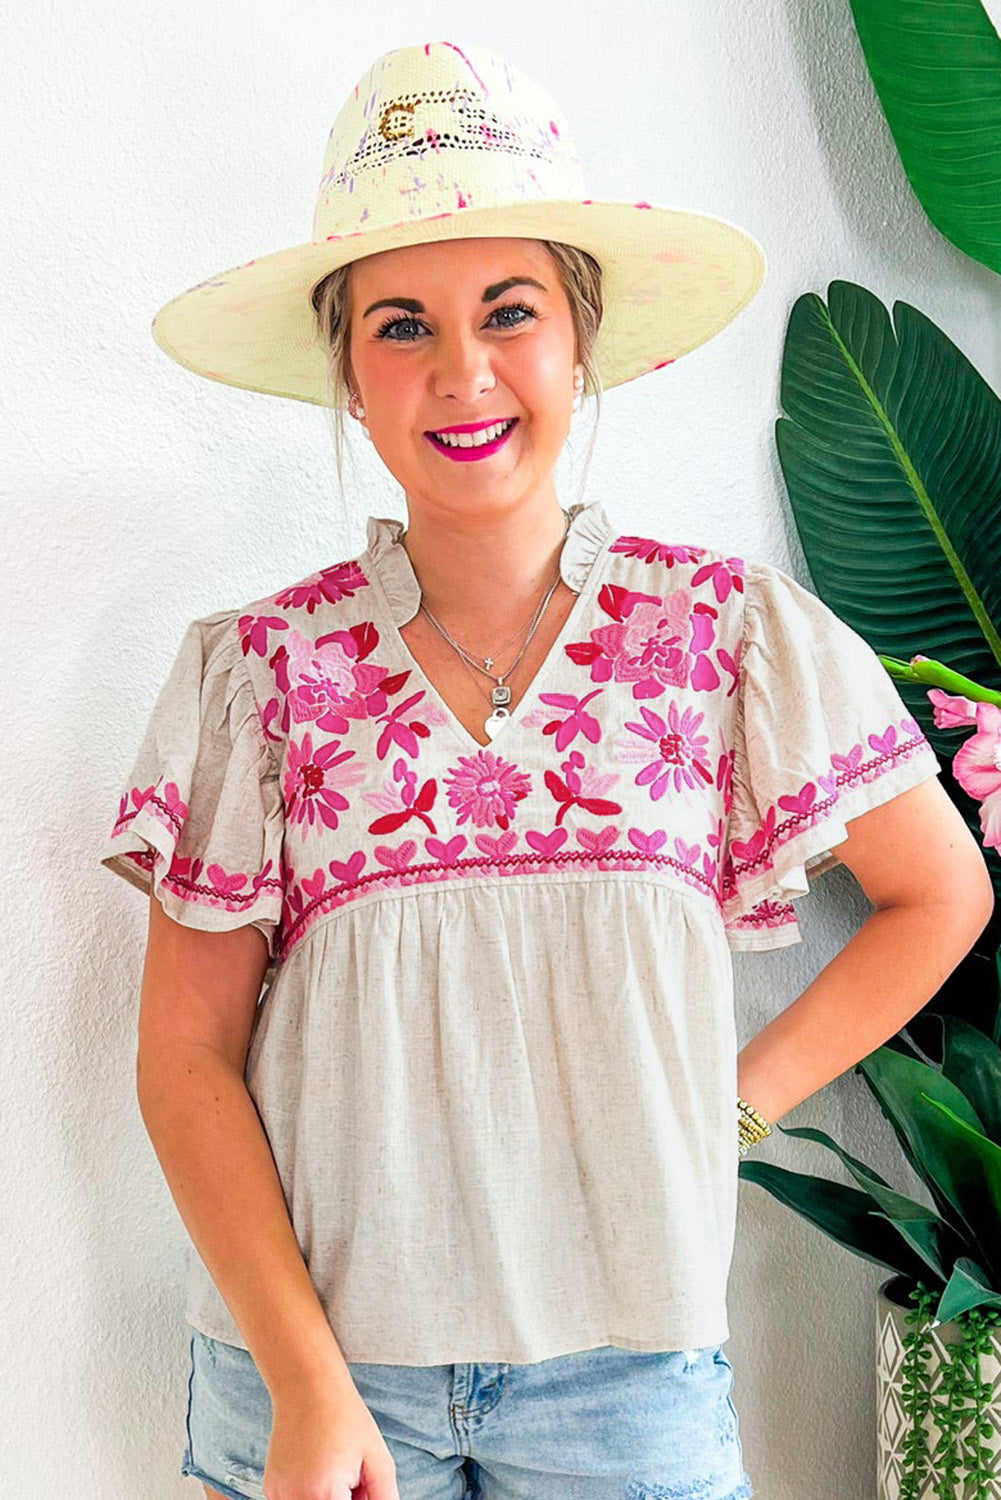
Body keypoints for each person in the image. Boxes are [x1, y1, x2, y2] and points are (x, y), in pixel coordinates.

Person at [97, 39, 992, 1500]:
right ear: (348, 373)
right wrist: (311, 1388)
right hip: (311, 1382)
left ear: (581, 340)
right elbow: (183, 1057)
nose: (462, 371)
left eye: (509, 311)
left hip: (628, 1388)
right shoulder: (254, 673)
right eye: (401, 325)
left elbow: (939, 895)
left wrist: (729, 1108)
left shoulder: (725, 635)